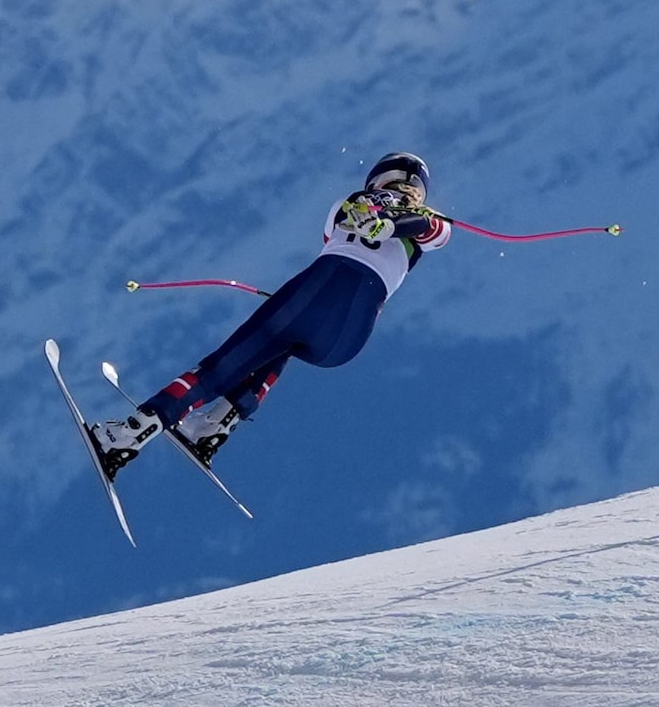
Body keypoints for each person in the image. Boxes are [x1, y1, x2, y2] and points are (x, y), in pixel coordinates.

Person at [89, 152, 450, 474]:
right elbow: (434, 231)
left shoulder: (357, 201)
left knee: (225, 366)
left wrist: (387, 221)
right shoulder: (426, 221)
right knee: (284, 347)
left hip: (317, 292)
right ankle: (213, 425)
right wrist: (398, 220)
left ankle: (126, 436)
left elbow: (341, 235)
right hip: (348, 339)